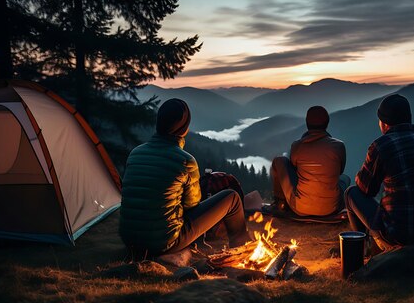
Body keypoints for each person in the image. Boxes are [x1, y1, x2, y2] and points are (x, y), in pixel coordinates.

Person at [119, 98, 249, 255]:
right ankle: (241, 249)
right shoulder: (185, 161)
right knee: (232, 198)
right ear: (183, 129)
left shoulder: (135, 153)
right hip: (164, 242)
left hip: (129, 239)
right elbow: (192, 206)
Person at [345, 94, 414, 249]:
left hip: (401, 236)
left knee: (352, 193)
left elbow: (366, 189)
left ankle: (366, 248)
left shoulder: (381, 146)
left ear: (384, 123)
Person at [270, 105, 350, 217]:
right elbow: (340, 171)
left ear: (307, 124)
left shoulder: (297, 145)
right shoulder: (339, 146)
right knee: (345, 179)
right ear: (327, 124)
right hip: (332, 209)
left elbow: (294, 168)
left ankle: (280, 204)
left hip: (301, 208)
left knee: (280, 161)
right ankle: (344, 211)